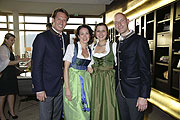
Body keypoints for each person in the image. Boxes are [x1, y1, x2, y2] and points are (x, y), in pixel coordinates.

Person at [32, 8, 69, 120]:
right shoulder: (42, 37)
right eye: (59, 19)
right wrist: (39, 89)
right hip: (46, 87)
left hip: (61, 86)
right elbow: (36, 65)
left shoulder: (65, 37)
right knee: (46, 117)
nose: (61, 22)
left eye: (64, 20)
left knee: (57, 116)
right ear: (53, 19)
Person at [114, 12, 152, 120]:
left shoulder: (139, 41)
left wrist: (143, 96)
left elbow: (145, 70)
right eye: (116, 22)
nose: (119, 24)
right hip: (120, 90)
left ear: (127, 21)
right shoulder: (117, 43)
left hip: (135, 91)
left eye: (121, 21)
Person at [89, 23, 120, 120]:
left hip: (108, 80)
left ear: (107, 33)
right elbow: (89, 63)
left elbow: (118, 64)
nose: (101, 33)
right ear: (95, 33)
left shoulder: (113, 45)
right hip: (95, 80)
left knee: (109, 104)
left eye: (103, 30)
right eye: (98, 31)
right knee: (96, 104)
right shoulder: (92, 47)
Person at [63, 24, 93, 120]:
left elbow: (90, 69)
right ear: (78, 36)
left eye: (87, 33)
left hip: (86, 82)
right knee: (74, 110)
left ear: (90, 35)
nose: (85, 36)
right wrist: (67, 88)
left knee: (86, 110)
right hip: (73, 82)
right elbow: (66, 68)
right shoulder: (72, 47)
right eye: (82, 34)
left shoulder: (90, 50)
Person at [0, 33, 29, 120]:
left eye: (13, 40)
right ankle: (1, 115)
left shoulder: (9, 48)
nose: (13, 42)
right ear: (6, 39)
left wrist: (16, 59)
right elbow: (7, 63)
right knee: (3, 95)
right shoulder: (3, 48)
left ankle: (11, 111)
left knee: (12, 93)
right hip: (5, 74)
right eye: (11, 40)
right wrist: (20, 60)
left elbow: (11, 61)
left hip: (11, 74)